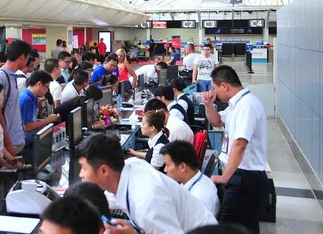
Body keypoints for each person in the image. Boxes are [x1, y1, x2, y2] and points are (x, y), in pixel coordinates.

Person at [77, 134, 217, 234]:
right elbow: (108, 197)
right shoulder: (131, 166)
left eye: (83, 168)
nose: (80, 175)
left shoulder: (147, 203)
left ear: (103, 171)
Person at [203, 65, 268, 233]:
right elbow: (217, 121)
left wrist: (225, 177)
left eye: (215, 88)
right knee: (245, 227)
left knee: (225, 227)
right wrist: (208, 105)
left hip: (245, 178)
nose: (214, 92)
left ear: (224, 85)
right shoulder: (236, 105)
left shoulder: (247, 106)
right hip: (240, 176)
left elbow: (240, 144)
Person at [0, 39, 31, 155]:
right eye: (27, 58)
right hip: (8, 144)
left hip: (16, 139)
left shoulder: (13, 75)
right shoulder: (0, 77)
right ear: (22, 56)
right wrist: (8, 144)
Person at [161, 141, 220, 216]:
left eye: (167, 165)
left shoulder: (198, 199)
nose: (165, 170)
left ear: (182, 166)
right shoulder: (198, 179)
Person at [19, 70, 59, 145]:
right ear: (39, 84)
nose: (47, 91)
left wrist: (45, 120)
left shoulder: (32, 97)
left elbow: (32, 120)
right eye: (47, 87)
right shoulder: (26, 99)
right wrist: (47, 120)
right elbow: (27, 127)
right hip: (25, 143)